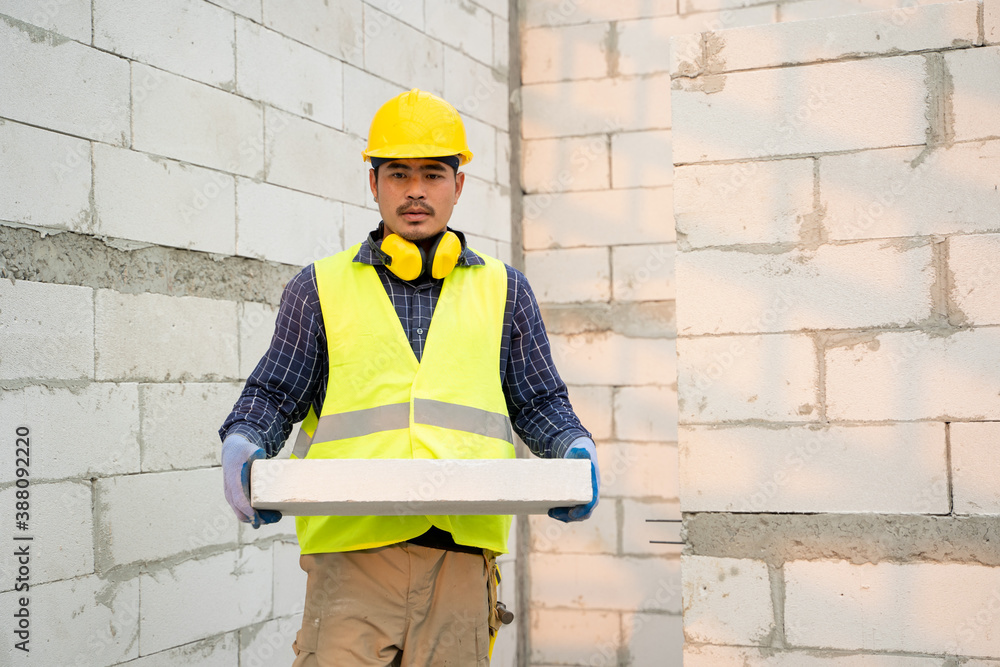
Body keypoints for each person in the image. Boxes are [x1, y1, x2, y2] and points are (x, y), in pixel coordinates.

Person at [219, 88, 599, 666]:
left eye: (432, 173)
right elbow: (275, 392)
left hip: (460, 560)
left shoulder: (506, 290)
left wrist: (573, 446)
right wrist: (246, 440)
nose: (415, 189)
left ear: (458, 186)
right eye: (397, 173)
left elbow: (538, 399)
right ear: (373, 184)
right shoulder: (319, 287)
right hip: (351, 560)